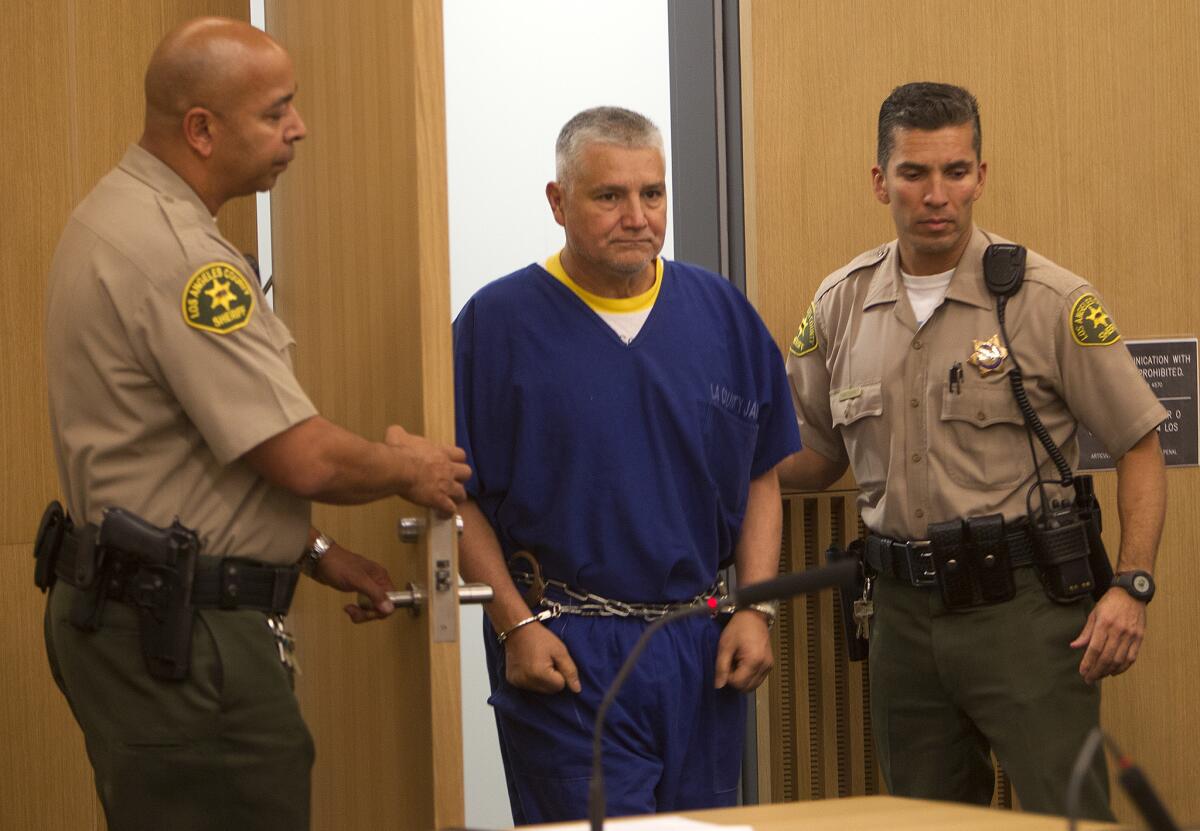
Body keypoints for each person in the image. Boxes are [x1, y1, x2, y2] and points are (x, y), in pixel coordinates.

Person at [41, 17, 471, 831]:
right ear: (201, 129)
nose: (298, 128)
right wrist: (410, 470)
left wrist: (309, 549)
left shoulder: (117, 212)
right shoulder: (183, 259)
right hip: (186, 640)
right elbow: (303, 457)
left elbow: (179, 446)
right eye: (277, 112)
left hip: (135, 607)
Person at [780, 82, 1167, 820]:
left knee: (1068, 813)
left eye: (956, 171)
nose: (937, 195)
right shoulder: (840, 305)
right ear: (879, 181)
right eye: (914, 173)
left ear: (981, 175)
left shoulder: (1049, 299)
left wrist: (1133, 585)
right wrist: (712, 463)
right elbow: (812, 458)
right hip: (897, 613)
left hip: (1022, 609)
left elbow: (1138, 443)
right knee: (924, 818)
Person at [453, 106, 800, 823]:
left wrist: (755, 607)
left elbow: (761, 474)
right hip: (567, 646)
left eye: (653, 193)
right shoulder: (496, 324)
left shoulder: (721, 313)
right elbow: (453, 498)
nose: (637, 216)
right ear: (558, 201)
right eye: (608, 196)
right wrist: (515, 625)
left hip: (699, 645)